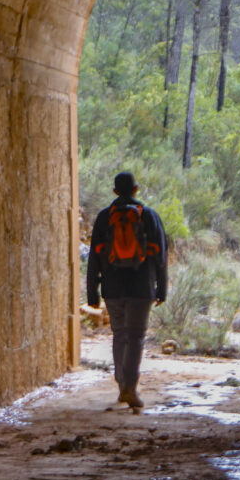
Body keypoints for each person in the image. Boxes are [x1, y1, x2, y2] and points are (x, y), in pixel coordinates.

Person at [87, 171, 168, 411]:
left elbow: (94, 257)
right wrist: (161, 288)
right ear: (136, 189)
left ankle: (122, 383)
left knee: (119, 334)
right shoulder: (150, 216)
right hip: (142, 286)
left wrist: (92, 292)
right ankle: (129, 387)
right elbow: (161, 257)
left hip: (112, 287)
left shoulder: (104, 218)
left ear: (114, 192)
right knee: (136, 337)